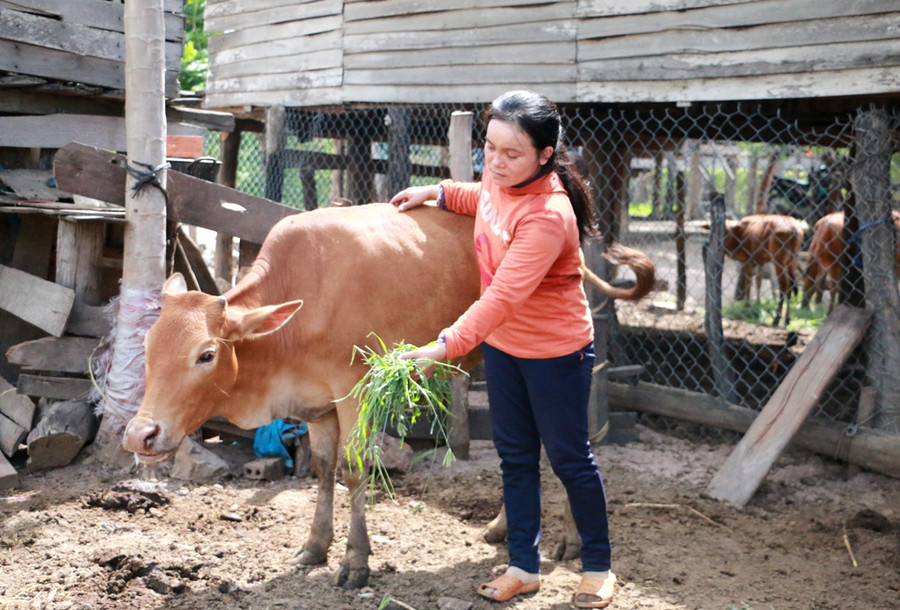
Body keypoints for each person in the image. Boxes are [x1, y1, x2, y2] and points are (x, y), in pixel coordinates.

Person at [389, 90, 616, 608]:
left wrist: (443, 347)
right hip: (506, 349)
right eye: (489, 147)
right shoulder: (499, 176)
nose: (495, 161)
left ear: (544, 155)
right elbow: (483, 198)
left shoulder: (548, 215)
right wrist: (437, 191)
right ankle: (523, 566)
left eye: (511, 154)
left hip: (556, 353)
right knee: (514, 458)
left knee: (569, 460)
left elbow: (503, 297)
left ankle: (599, 567)